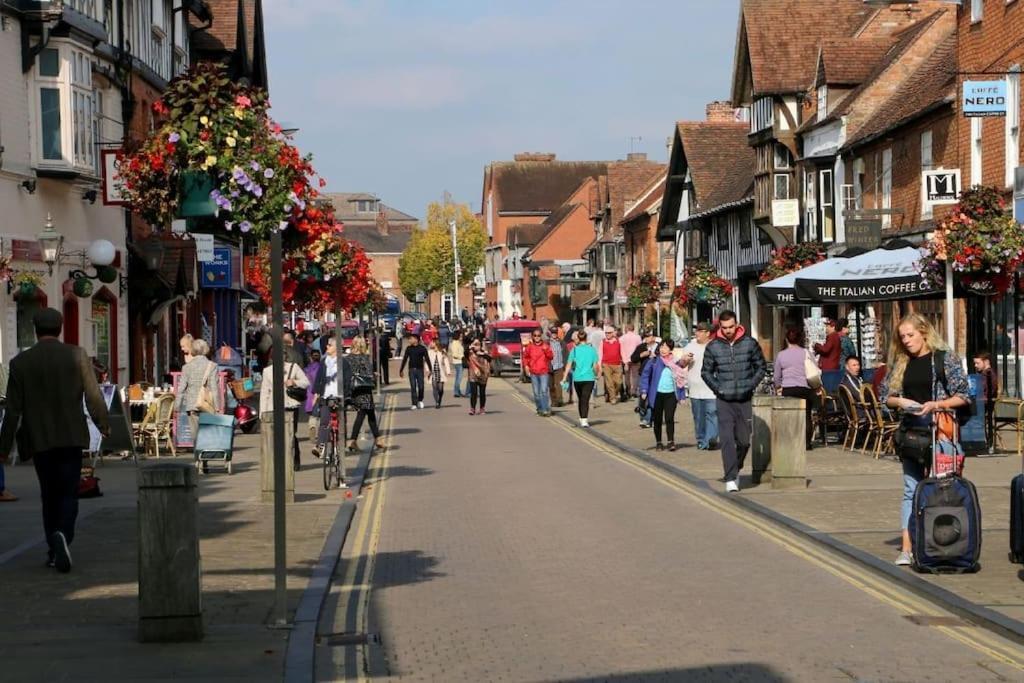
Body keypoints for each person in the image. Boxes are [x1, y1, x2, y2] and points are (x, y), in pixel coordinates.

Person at [0, 308, 108, 572]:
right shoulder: (77, 355)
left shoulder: (20, 363)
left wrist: (3, 447)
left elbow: (13, 410)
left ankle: (53, 546)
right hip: (71, 435)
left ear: (35, 330)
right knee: (69, 492)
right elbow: (93, 395)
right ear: (60, 329)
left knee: (49, 494)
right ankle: (63, 536)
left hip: (39, 438)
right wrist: (103, 424)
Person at [882, 313, 969, 567]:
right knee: (911, 490)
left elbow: (964, 395)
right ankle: (907, 549)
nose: (906, 341)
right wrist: (899, 401)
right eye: (902, 337)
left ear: (924, 332)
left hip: (941, 433)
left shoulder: (944, 358)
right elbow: (885, 396)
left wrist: (936, 404)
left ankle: (944, 544)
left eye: (910, 335)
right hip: (911, 435)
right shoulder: (901, 362)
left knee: (944, 490)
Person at [702, 310, 767, 493]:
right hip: (724, 400)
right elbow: (706, 372)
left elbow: (761, 366)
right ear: (720, 327)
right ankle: (730, 477)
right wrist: (718, 388)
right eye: (724, 328)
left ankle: (736, 466)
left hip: (744, 399)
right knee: (727, 439)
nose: (728, 330)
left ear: (737, 324)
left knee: (744, 441)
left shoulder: (749, 343)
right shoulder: (713, 346)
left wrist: (750, 385)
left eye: (731, 327)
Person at [259, 341, 309, 470]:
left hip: (291, 405)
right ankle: (280, 461)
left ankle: (295, 459)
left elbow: (306, 382)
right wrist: (262, 412)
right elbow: (264, 392)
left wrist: (294, 382)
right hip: (273, 406)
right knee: (276, 435)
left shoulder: (294, 367)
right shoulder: (267, 371)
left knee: (291, 434)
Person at [773, 323, 817, 451]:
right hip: (804, 388)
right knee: (806, 415)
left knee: (788, 416)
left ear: (786, 339)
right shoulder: (806, 353)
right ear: (799, 339)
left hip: (788, 388)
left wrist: (778, 386)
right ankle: (807, 443)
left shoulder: (781, 355)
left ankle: (790, 441)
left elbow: (777, 376)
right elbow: (814, 368)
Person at [639, 339, 688, 451]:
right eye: (661, 347)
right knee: (657, 419)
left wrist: (681, 396)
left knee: (669, 418)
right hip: (656, 395)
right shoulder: (654, 361)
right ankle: (659, 442)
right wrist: (644, 391)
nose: (663, 349)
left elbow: (679, 380)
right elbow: (645, 376)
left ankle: (671, 442)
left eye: (666, 347)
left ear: (671, 349)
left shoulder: (675, 363)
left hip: (671, 395)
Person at [174, 338, 222, 449]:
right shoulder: (212, 366)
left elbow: (181, 389)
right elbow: (214, 388)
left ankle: (198, 460)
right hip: (207, 405)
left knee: (196, 436)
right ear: (205, 350)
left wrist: (177, 406)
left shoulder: (186, 367)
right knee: (207, 433)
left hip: (192, 405)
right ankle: (206, 457)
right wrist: (217, 407)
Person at [342, 337, 385, 451]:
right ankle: (354, 440)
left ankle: (376, 438)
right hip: (365, 388)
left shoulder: (348, 359)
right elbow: (368, 372)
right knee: (364, 414)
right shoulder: (365, 358)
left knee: (368, 413)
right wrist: (374, 375)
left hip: (354, 388)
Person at [683, 322, 718, 449]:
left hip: (711, 389)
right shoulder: (690, 346)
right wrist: (685, 360)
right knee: (699, 417)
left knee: (712, 414)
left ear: (708, 333)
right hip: (695, 389)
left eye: (700, 331)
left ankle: (710, 440)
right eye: (696, 330)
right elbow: (681, 364)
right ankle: (702, 440)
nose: (697, 333)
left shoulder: (715, 346)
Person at [565, 330, 600, 428]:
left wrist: (564, 377)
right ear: (586, 338)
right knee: (585, 399)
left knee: (581, 399)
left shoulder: (574, 350)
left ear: (578, 339)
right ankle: (583, 419)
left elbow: (569, 364)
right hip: (589, 378)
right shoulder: (592, 350)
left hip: (577, 378)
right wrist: (597, 374)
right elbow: (595, 365)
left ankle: (583, 418)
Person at [523, 328, 554, 416]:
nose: (537, 337)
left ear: (541, 336)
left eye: (538, 335)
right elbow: (525, 357)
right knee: (536, 393)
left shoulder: (545, 346)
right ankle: (539, 408)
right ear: (532, 337)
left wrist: (546, 350)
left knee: (544, 391)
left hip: (543, 372)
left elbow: (551, 356)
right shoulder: (529, 347)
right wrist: (526, 366)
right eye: (535, 335)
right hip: (534, 372)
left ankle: (545, 409)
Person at [632, 331, 659, 428]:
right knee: (643, 397)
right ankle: (644, 419)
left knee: (654, 398)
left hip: (656, 376)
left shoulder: (660, 347)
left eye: (649, 336)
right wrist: (641, 355)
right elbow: (633, 358)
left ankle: (652, 418)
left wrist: (656, 356)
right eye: (645, 336)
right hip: (643, 375)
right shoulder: (641, 347)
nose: (647, 338)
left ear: (654, 337)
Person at [973, 350, 998, 450]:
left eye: (977, 363)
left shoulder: (987, 375)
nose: (975, 365)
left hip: (983, 405)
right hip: (982, 404)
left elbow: (983, 391)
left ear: (986, 362)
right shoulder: (985, 374)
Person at [399, 334, 429, 410]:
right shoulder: (408, 348)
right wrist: (401, 370)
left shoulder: (422, 348)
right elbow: (405, 359)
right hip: (411, 370)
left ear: (416, 339)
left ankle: (420, 400)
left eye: (411, 339)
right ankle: (414, 403)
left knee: (421, 386)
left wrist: (430, 370)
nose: (409, 340)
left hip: (420, 370)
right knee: (413, 387)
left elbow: (427, 359)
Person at [839, 355, 869, 427]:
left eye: (858, 365)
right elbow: (860, 396)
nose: (857, 367)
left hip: (863, 410)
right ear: (847, 367)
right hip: (861, 413)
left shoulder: (857, 379)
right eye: (854, 365)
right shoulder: (848, 380)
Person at [467, 339, 492, 415]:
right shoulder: (470, 353)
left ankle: (482, 408)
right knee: (473, 393)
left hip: (483, 374)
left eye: (478, 344)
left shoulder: (484, 352)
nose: (476, 346)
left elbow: (490, 359)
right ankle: (472, 408)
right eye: (475, 344)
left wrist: (481, 354)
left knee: (482, 393)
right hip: (473, 374)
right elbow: (465, 355)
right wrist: (469, 348)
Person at [426, 339, 452, 409]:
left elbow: (446, 361)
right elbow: (427, 362)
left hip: (440, 373)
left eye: (432, 342)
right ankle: (437, 402)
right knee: (435, 387)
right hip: (433, 372)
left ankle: (439, 399)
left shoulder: (442, 352)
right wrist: (427, 370)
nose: (430, 344)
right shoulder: (429, 352)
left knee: (440, 389)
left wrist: (448, 371)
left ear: (435, 343)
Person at [601, 327, 624, 403]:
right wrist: (599, 365)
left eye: (609, 333)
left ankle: (614, 393)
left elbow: (622, 352)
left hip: (617, 364)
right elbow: (600, 353)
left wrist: (625, 362)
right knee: (609, 382)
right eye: (606, 333)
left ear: (613, 333)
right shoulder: (603, 342)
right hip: (606, 364)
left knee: (619, 382)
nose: (607, 334)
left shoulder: (619, 341)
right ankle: (612, 398)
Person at [619, 324, 642, 398]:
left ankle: (628, 390)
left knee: (627, 376)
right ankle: (634, 391)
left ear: (626, 329)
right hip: (635, 358)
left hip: (625, 359)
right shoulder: (638, 337)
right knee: (635, 376)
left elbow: (620, 349)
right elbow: (640, 347)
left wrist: (623, 359)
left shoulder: (622, 338)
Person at [304, 349, 322, 441]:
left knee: (312, 414)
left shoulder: (307, 369)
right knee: (320, 414)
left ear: (311, 357)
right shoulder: (322, 368)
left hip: (309, 392)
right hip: (318, 392)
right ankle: (319, 431)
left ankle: (312, 426)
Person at [548, 325, 566, 408]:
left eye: (555, 333)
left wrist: (565, 366)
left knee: (559, 385)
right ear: (550, 333)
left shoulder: (562, 343)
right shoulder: (547, 343)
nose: (554, 334)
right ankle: (553, 401)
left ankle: (559, 400)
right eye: (552, 333)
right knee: (551, 385)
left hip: (559, 366)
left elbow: (566, 355)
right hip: (549, 367)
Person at [449, 330, 466, 398]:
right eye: (460, 336)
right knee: (459, 378)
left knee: (458, 378)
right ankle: (456, 392)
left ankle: (458, 391)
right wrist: (461, 357)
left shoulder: (458, 343)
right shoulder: (455, 343)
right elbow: (455, 354)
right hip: (458, 362)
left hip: (459, 361)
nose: (461, 337)